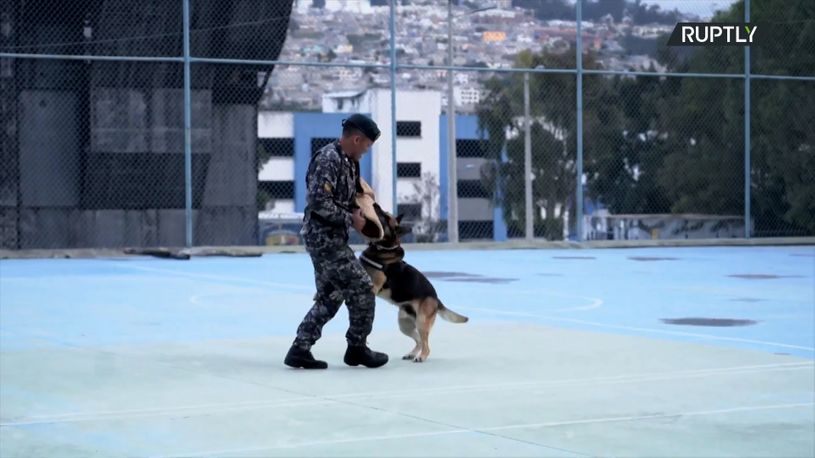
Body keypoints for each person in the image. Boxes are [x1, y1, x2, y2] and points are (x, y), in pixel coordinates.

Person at [284, 114, 389, 369]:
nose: (366, 151)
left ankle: (300, 348)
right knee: (363, 287)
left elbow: (349, 197)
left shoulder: (349, 161)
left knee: (331, 295)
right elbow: (318, 202)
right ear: (356, 139)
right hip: (324, 239)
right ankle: (357, 348)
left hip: (331, 237)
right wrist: (351, 219)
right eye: (366, 145)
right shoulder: (328, 159)